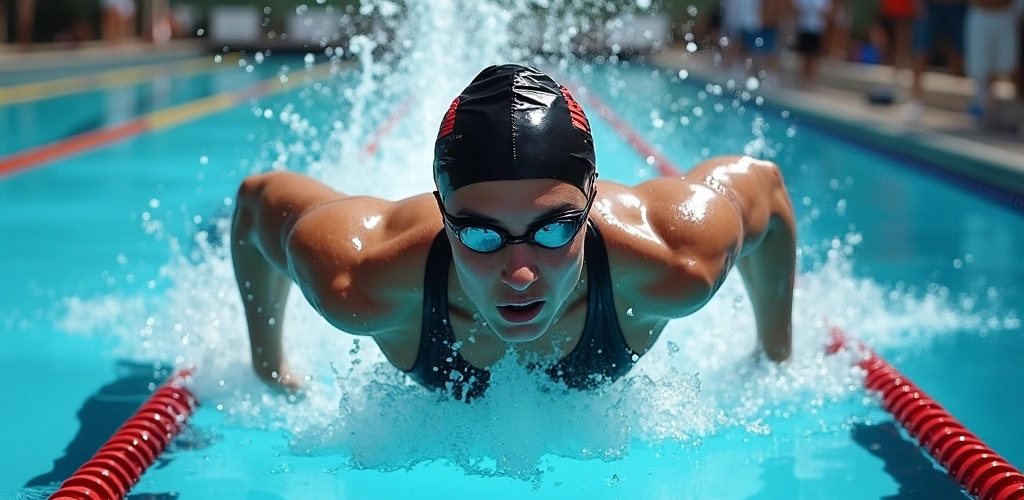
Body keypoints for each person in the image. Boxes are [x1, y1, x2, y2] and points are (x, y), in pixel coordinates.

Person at [231, 64, 797, 401]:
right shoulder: (357, 279)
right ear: (442, 212)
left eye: (553, 230)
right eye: (480, 236)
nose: (521, 273)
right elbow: (257, 201)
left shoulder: (677, 258)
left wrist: (774, 354)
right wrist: (268, 365)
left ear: (592, 200)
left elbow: (765, 188)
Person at [906, 0, 967, 121]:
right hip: (930, 5)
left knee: (958, 56)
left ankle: (957, 104)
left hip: (959, 5)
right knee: (921, 52)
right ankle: (915, 99)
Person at [964, 0, 1020, 124]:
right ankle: (983, 104)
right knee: (980, 67)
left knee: (1008, 65)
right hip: (980, 14)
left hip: (1005, 15)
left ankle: (991, 105)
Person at [793, 0, 833, 88]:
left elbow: (828, 12)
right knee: (804, 55)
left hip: (817, 29)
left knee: (814, 56)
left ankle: (810, 79)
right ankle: (803, 78)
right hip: (804, 28)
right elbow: (796, 10)